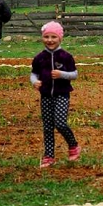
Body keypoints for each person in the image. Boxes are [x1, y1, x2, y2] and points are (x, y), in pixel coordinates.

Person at [31, 21, 81, 168]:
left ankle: (73, 146)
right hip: (45, 95)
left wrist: (62, 74)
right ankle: (49, 156)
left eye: (54, 37)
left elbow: (74, 74)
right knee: (47, 127)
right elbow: (33, 74)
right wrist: (34, 82)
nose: (50, 40)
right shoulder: (39, 58)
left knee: (59, 123)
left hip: (62, 94)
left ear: (60, 38)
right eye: (46, 37)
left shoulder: (66, 56)